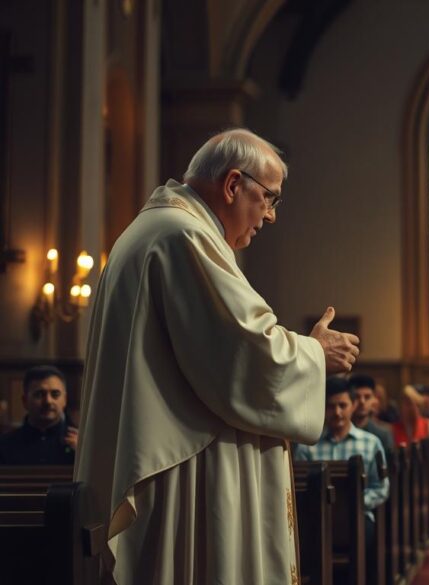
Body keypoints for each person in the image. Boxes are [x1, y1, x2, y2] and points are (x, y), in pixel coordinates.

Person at [73, 129, 361, 584]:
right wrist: (314, 352)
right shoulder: (183, 237)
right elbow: (242, 353)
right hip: (184, 479)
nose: (269, 216)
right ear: (232, 185)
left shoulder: (157, 229)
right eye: (268, 198)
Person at [294, 379, 388, 585]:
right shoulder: (308, 445)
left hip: (358, 516)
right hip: (315, 518)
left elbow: (381, 486)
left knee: (367, 534)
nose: (337, 412)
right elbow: (298, 488)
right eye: (330, 406)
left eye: (342, 405)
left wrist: (353, 504)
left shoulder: (371, 443)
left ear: (353, 406)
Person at [0, 365, 77, 465]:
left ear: (65, 400)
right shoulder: (5, 445)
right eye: (39, 394)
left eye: (55, 394)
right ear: (25, 401)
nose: (48, 401)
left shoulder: (81, 444)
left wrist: (83, 455)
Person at [349, 374, 395, 450]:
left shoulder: (383, 434)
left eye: (367, 397)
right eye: (357, 396)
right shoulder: (341, 431)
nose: (362, 401)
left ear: (374, 400)